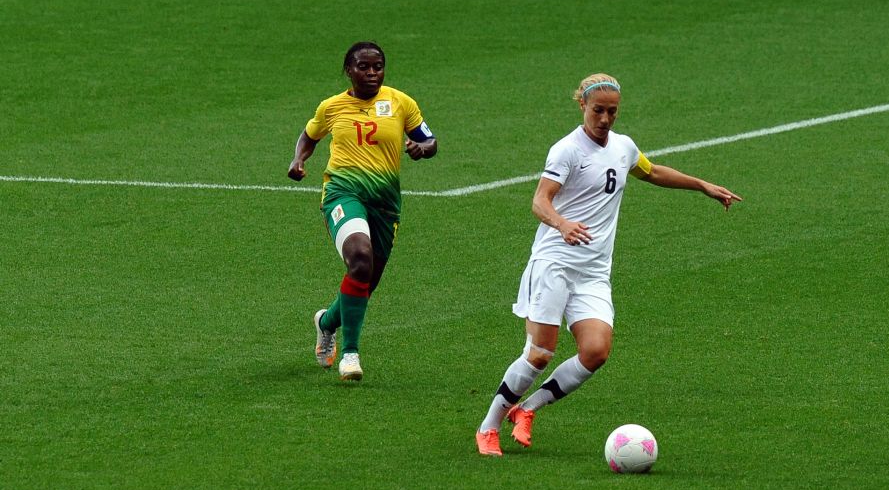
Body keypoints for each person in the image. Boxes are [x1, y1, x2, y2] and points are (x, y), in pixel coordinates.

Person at [475, 73, 742, 455]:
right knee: (539, 353)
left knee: (596, 351)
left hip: (594, 272)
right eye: (597, 110)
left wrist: (702, 185)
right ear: (582, 105)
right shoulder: (567, 150)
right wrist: (562, 223)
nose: (604, 118)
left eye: (612, 112)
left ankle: (527, 409)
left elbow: (650, 171)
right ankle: (488, 427)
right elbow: (540, 201)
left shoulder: (623, 147)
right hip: (554, 262)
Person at [288, 41, 438, 381]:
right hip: (343, 192)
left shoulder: (401, 102)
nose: (372, 73)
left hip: (385, 202)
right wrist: (298, 159)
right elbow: (309, 135)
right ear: (349, 70)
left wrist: (422, 148)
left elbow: (429, 140)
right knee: (359, 259)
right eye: (363, 67)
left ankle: (326, 323)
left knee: (365, 282)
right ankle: (350, 355)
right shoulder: (332, 107)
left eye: (378, 67)